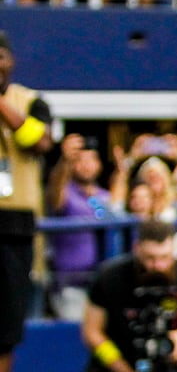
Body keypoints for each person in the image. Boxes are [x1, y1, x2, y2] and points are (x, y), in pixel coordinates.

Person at [81, 220, 177, 372]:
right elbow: (92, 332)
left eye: (165, 257)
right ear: (137, 249)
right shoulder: (110, 276)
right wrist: (119, 366)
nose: (158, 265)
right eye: (150, 258)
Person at [0, 30, 54, 372]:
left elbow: (41, 142)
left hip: (14, 225)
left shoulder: (32, 100)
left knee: (4, 326)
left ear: (10, 60)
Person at [45, 134, 114, 321]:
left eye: (91, 159)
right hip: (69, 283)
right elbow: (55, 193)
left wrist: (126, 167)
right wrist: (65, 160)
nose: (86, 165)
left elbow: (116, 208)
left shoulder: (103, 196)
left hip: (99, 283)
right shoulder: (66, 192)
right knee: (74, 335)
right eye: (80, 160)